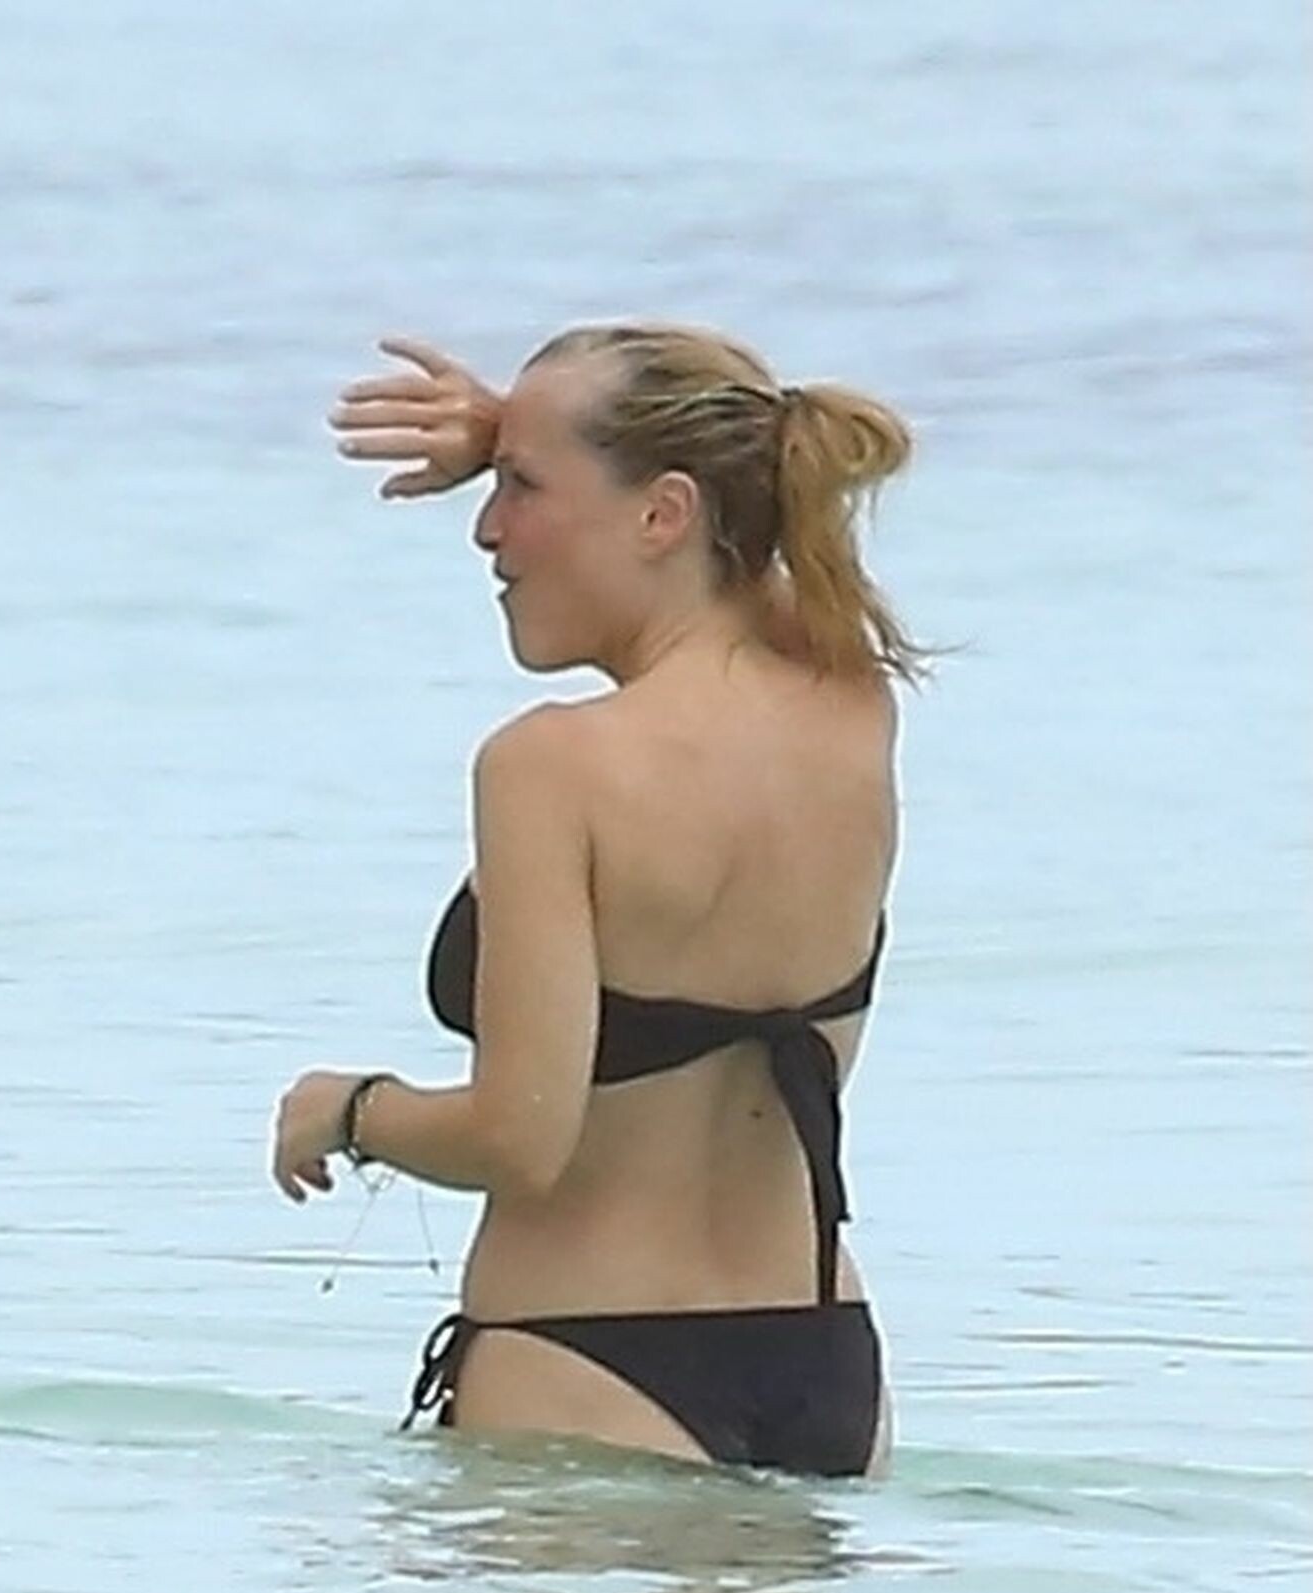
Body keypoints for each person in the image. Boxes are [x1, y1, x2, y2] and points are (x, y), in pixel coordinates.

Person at [270, 322, 932, 1477]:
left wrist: (350, 1109)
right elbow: (751, 549)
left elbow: (519, 1137)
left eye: (519, 489)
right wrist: (532, 442)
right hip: (825, 1356)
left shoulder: (549, 765)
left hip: (586, 1363)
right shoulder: (847, 694)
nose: (486, 528)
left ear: (664, 514)